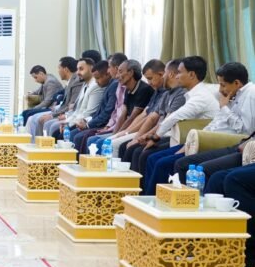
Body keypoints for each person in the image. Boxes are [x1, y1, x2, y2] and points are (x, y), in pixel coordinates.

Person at [140, 56, 220, 194]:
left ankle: (153, 200)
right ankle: (147, 197)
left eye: (180, 72)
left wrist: (155, 137)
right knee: (152, 157)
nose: (177, 76)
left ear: (192, 74)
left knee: (160, 162)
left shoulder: (200, 97)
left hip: (202, 143)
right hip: (189, 140)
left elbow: (175, 117)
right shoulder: (193, 94)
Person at [171, 62, 255, 183]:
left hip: (237, 144)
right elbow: (217, 122)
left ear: (237, 83)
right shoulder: (234, 94)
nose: (220, 90)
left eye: (223, 85)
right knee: (177, 161)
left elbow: (245, 130)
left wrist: (224, 107)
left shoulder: (250, 95)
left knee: (188, 165)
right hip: (223, 140)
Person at [86, 59, 155, 153]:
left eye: (120, 72)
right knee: (92, 140)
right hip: (125, 129)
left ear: (130, 73)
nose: (117, 76)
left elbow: (132, 117)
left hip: (136, 129)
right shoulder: (127, 89)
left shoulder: (144, 89)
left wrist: (119, 134)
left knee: (102, 142)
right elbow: (123, 115)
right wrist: (115, 133)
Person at [65, 59, 118, 152]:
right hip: (95, 121)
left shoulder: (113, 86)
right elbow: (98, 111)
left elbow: (107, 112)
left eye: (98, 78)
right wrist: (85, 121)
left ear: (107, 74)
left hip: (104, 124)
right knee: (73, 132)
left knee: (79, 136)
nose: (96, 82)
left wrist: (87, 124)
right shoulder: (106, 85)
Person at [44, 58, 101, 139]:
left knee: (58, 134)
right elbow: (77, 110)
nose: (78, 73)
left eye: (81, 69)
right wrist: (67, 121)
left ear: (91, 69)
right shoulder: (85, 84)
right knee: (56, 132)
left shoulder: (95, 86)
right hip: (76, 119)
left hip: (85, 122)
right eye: (77, 69)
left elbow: (89, 112)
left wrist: (69, 123)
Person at [27, 57, 82, 137]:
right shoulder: (70, 81)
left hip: (67, 114)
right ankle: (36, 142)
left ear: (65, 69)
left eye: (59, 68)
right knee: (35, 118)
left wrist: (52, 115)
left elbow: (70, 106)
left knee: (45, 122)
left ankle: (43, 143)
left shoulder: (76, 82)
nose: (58, 71)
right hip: (59, 110)